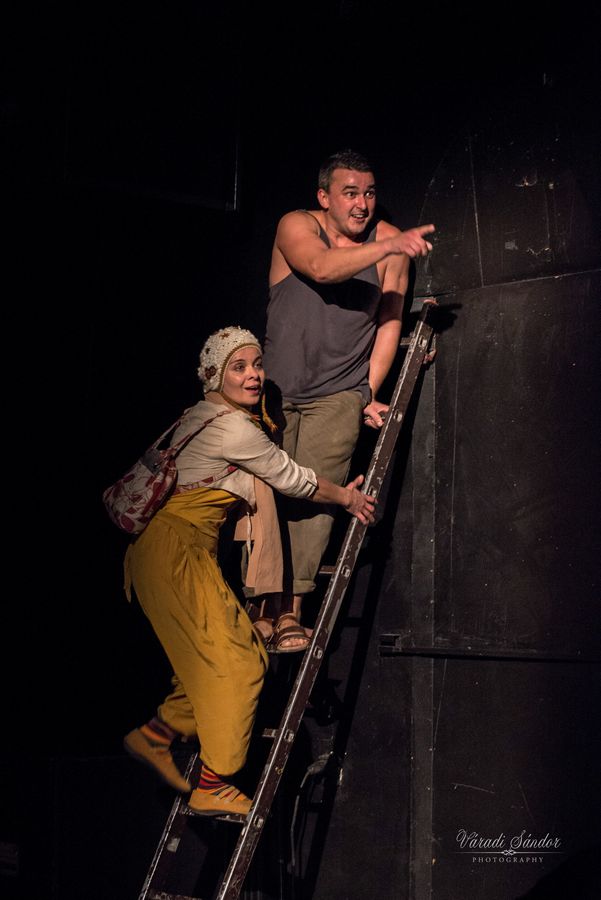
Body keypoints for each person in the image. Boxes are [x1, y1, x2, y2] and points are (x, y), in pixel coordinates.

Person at [123, 325, 375, 818]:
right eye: (238, 367)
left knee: (218, 659)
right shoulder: (233, 429)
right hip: (174, 555)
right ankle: (214, 783)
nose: (254, 375)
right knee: (241, 665)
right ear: (215, 375)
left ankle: (154, 736)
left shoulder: (199, 415)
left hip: (170, 553)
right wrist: (347, 497)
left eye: (257, 364)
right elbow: (294, 479)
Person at [261, 148, 435, 650]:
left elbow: (389, 324)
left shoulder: (391, 246)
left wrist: (366, 392)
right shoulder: (297, 225)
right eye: (350, 193)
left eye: (370, 193)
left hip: (338, 393)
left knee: (315, 496)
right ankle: (259, 608)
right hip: (274, 392)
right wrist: (388, 245)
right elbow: (320, 268)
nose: (362, 204)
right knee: (263, 497)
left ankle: (291, 612)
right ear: (324, 197)